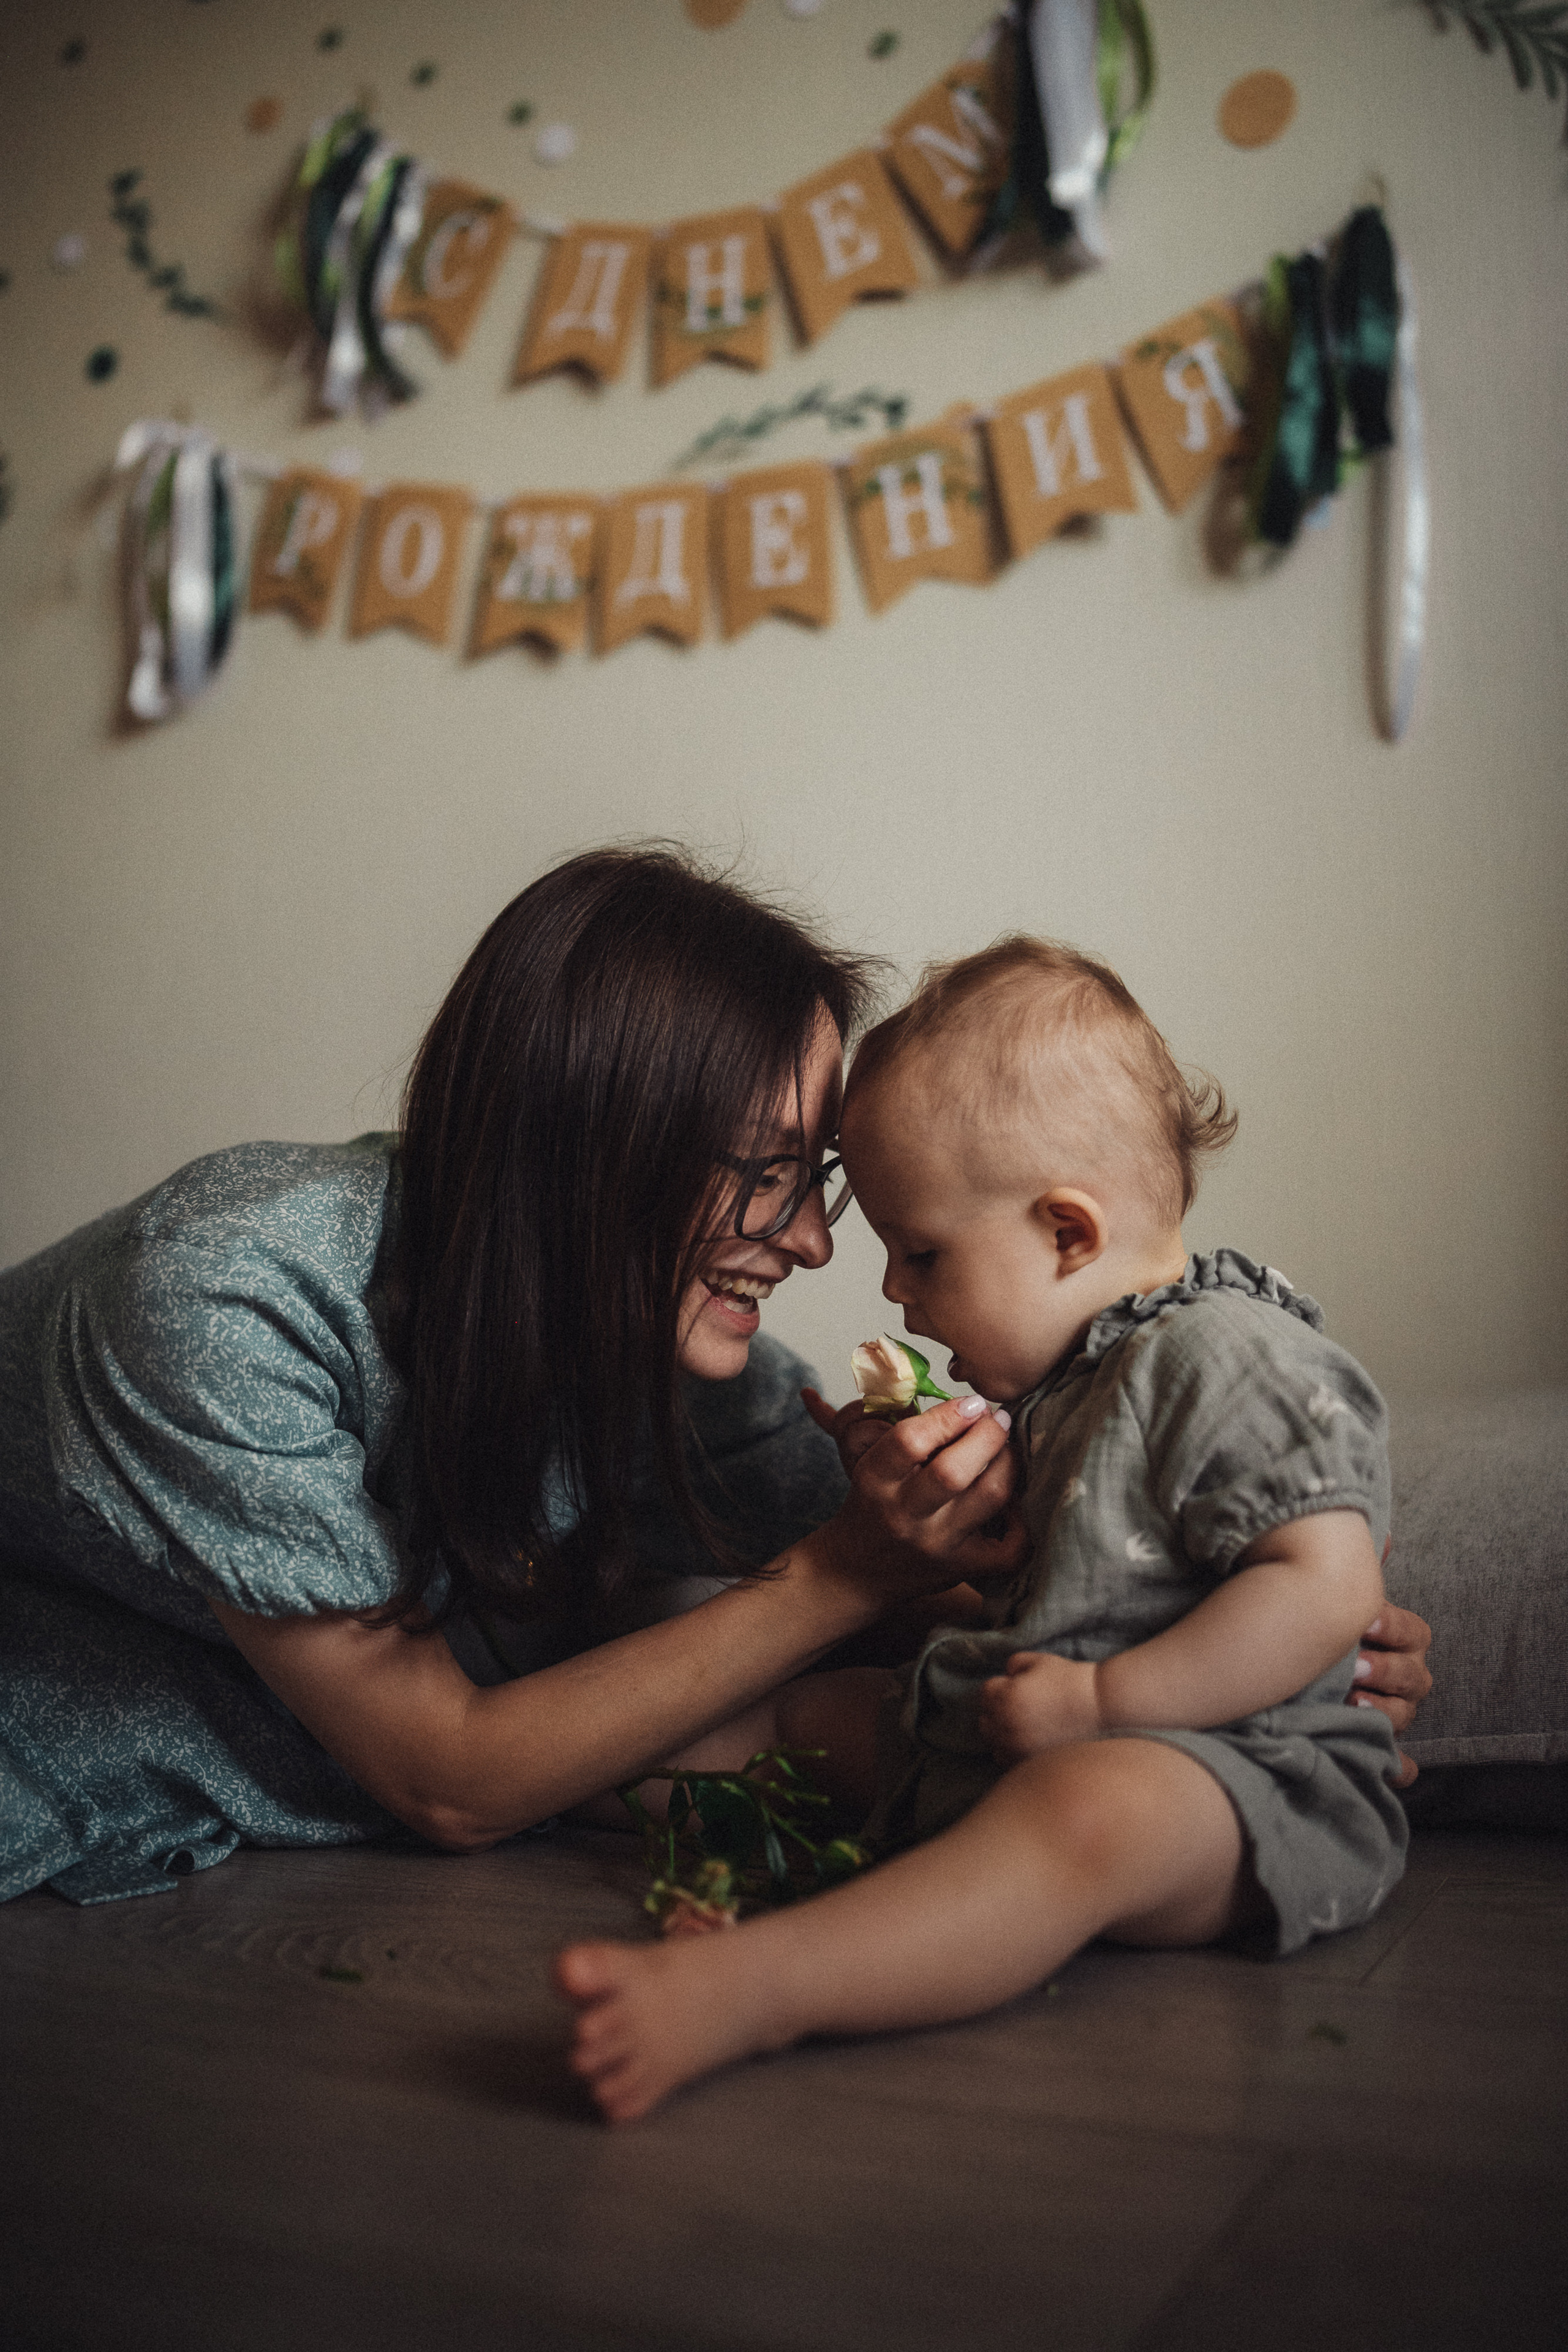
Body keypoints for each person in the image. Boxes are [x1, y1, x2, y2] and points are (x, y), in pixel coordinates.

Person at [0, 854, 1429, 1909]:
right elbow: (447, 1778)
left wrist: (1258, 1635)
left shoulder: (657, 1334)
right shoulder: (220, 1301)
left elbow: (946, 1576)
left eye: (813, 1185)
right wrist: (840, 1580)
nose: (812, 1244)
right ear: (592, 1146)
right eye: (768, 1179)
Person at [556, 937, 1420, 2123]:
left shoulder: (1225, 1354)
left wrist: (1105, 1708)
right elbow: (1033, 1584)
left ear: (1067, 1234)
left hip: (1225, 1773)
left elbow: (1322, 1588)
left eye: (921, 1254)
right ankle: (590, 1782)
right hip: (1011, 1721)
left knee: (1082, 1816)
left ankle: (759, 1988)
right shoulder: (1063, 1386)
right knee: (794, 1717)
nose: (892, 1294)